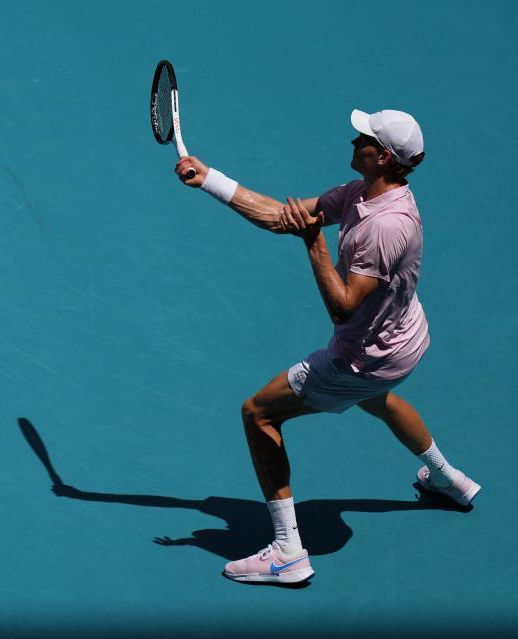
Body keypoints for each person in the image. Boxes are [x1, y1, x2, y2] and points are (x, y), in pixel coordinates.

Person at [175, 109, 480, 585]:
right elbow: (283, 217)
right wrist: (210, 179)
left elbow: (343, 308)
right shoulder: (362, 193)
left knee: (259, 413)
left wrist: (314, 242)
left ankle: (288, 552)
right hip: (406, 339)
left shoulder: (385, 227)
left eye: (364, 138)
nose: (354, 141)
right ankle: (447, 478)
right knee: (379, 401)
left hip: (363, 359)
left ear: (383, 157)